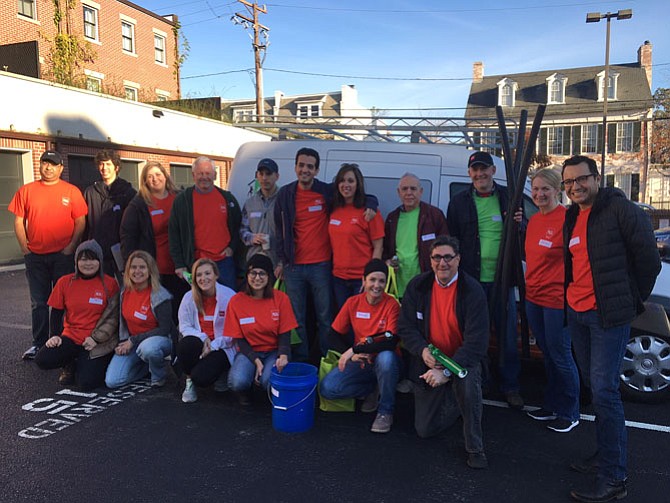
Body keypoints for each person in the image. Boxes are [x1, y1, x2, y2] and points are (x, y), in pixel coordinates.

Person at [561, 156, 660, 503]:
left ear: (596, 178)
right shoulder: (572, 216)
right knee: (594, 386)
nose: (575, 186)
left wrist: (630, 300)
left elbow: (649, 260)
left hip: (607, 317)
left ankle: (614, 478)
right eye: (569, 182)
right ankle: (605, 453)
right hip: (577, 313)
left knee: (605, 393)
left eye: (581, 179)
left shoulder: (621, 210)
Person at [274, 147, 378, 361]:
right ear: (295, 167)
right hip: (293, 267)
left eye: (310, 166)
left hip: (321, 265)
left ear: (317, 170)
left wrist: (372, 203)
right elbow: (278, 229)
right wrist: (281, 261)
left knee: (325, 317)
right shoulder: (285, 193)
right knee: (297, 319)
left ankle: (325, 360)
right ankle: (302, 363)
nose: (305, 170)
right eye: (301, 165)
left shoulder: (325, 191)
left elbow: (356, 193)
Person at [398, 236, 489, 469]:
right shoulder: (418, 286)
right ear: (430, 260)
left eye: (448, 257)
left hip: (461, 361)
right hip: (430, 362)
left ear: (458, 259)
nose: (442, 263)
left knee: (467, 387)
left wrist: (447, 372)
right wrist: (422, 350)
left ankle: (475, 448)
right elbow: (405, 327)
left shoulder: (472, 290)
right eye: (437, 257)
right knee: (425, 429)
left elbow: (476, 343)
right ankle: (456, 401)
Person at [446, 151, 523, 409]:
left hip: (503, 280)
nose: (479, 174)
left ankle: (510, 386)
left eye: (484, 169)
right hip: (472, 281)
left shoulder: (509, 198)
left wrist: (521, 225)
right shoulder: (458, 202)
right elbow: (452, 241)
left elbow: (524, 235)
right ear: (469, 173)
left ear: (493, 171)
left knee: (507, 335)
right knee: (474, 335)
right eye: (475, 170)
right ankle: (478, 380)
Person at [9, 150, 88, 360]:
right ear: (40, 165)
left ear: (61, 168)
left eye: (53, 164)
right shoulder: (26, 191)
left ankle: (62, 339)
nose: (48, 167)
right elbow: (18, 221)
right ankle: (39, 343)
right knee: (39, 302)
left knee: (63, 301)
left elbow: (80, 221)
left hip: (62, 256)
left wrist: (71, 247)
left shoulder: (71, 191)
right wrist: (25, 248)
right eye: (45, 163)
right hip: (35, 256)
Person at [523, 169, 580, 432]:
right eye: (535, 189)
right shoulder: (534, 220)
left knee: (560, 355)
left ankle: (570, 411)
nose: (539, 194)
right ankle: (552, 405)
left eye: (545, 188)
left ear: (557, 190)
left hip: (557, 299)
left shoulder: (568, 218)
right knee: (547, 353)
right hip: (533, 297)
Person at [319, 259, 401, 434]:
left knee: (386, 358)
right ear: (364, 281)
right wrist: (352, 354)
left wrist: (355, 349)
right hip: (362, 361)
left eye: (381, 281)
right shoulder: (353, 302)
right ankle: (372, 389)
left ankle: (385, 411)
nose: (376, 285)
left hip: (386, 361)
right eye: (372, 280)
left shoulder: (391, 304)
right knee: (328, 388)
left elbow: (390, 339)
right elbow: (332, 334)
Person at [34, 240, 120, 390]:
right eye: (83, 259)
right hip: (71, 337)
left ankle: (93, 362)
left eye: (93, 259)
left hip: (96, 340)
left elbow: (114, 318)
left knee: (87, 383)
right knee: (42, 359)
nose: (88, 263)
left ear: (99, 261)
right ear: (76, 261)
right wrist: (55, 336)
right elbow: (56, 313)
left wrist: (96, 338)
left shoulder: (110, 284)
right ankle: (70, 363)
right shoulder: (65, 282)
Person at [225, 254, 298, 403]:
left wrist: (283, 355)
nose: (257, 278)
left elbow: (285, 333)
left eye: (262, 273)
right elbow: (239, 339)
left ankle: (267, 389)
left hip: (274, 351)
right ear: (247, 275)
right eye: (253, 273)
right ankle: (247, 391)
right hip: (248, 351)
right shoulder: (236, 301)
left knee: (268, 381)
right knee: (237, 382)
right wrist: (256, 361)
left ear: (269, 276)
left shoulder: (281, 298)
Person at [120, 161, 188, 319]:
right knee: (163, 312)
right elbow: (127, 237)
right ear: (144, 181)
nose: (155, 179)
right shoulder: (138, 205)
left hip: (182, 266)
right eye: (150, 177)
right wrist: (131, 265)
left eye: (158, 175)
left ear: (165, 176)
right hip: (157, 268)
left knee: (184, 308)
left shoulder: (180, 198)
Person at [105, 251, 175, 389]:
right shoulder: (125, 292)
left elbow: (165, 328)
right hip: (134, 342)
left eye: (142, 267)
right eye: (133, 267)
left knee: (148, 348)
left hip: (159, 341)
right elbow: (122, 324)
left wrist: (133, 340)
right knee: (113, 381)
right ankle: (145, 367)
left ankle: (158, 376)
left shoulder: (160, 295)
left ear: (150, 270)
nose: (137, 271)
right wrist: (122, 343)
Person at [169, 156, 242, 290]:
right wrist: (179, 263)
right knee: (199, 305)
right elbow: (174, 234)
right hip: (196, 263)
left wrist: (232, 247)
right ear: (193, 175)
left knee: (227, 302)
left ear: (214, 175)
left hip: (224, 263)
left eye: (208, 173)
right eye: (200, 173)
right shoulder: (182, 201)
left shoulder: (227, 199)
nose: (204, 177)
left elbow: (238, 227)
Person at [177, 258, 236, 403]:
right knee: (186, 344)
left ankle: (220, 373)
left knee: (202, 378)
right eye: (199, 275)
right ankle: (189, 380)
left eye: (207, 273)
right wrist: (204, 339)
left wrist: (213, 345)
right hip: (201, 344)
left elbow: (234, 332)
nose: (203, 278)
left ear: (216, 275)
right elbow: (184, 326)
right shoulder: (188, 297)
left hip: (222, 346)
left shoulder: (229, 297)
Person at [383, 173, 448, 299]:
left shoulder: (434, 216)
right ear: (398, 192)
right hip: (398, 287)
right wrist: (387, 262)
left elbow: (446, 248)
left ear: (421, 191)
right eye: (404, 189)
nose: (409, 192)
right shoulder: (392, 218)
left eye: (413, 189)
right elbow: (384, 249)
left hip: (425, 284)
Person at [329, 164, 384, 310]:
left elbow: (378, 246)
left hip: (360, 278)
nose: (346, 185)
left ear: (358, 184)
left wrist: (372, 277)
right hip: (338, 278)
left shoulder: (370, 212)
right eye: (342, 181)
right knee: (344, 321)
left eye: (350, 181)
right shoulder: (333, 208)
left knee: (360, 321)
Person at [84, 149, 137, 277]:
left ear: (116, 167)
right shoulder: (90, 192)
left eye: (108, 164)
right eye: (101, 164)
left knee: (123, 290)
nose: (104, 168)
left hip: (120, 252)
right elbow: (84, 224)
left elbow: (135, 225)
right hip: (97, 251)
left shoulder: (128, 192)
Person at [240, 158, 282, 277]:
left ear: (277, 176)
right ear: (257, 176)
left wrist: (282, 263)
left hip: (277, 264)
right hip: (255, 262)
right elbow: (242, 230)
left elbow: (291, 234)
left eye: (268, 174)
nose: (264, 178)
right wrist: (252, 237)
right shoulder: (250, 203)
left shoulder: (284, 200)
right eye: (261, 174)